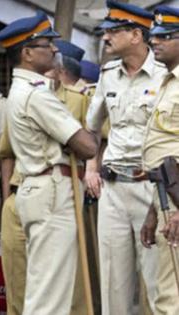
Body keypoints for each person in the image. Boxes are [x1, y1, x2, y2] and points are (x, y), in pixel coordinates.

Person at [0, 10, 97, 315]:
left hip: (38, 188)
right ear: (26, 53)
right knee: (50, 296)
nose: (54, 49)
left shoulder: (19, 90)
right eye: (46, 45)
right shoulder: (37, 94)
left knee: (46, 287)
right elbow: (87, 146)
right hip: (52, 191)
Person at [85, 2, 166, 314]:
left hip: (153, 187)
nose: (106, 38)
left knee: (157, 283)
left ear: (136, 35)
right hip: (114, 188)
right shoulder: (108, 75)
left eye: (113, 31)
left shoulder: (166, 76)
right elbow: (92, 127)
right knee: (113, 283)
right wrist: (92, 167)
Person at [141, 6, 179, 314]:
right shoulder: (168, 81)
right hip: (165, 193)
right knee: (166, 288)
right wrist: (153, 211)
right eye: (155, 36)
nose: (156, 42)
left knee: (172, 292)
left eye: (165, 36)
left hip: (178, 200)